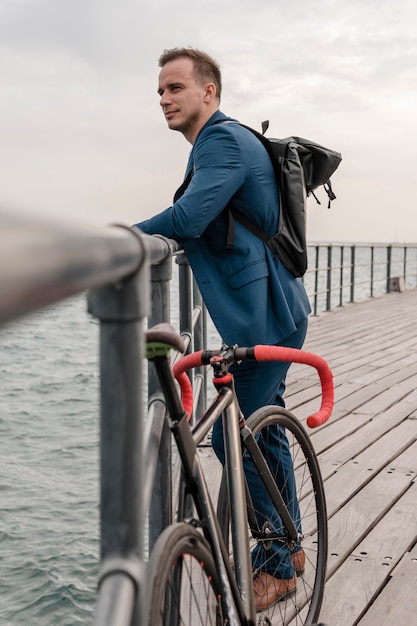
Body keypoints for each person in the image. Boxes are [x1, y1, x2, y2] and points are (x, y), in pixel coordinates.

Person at [134, 47, 311, 611]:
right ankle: (291, 546)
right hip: (264, 309)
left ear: (209, 92)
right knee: (264, 429)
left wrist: (121, 234)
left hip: (266, 314)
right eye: (160, 90)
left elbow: (187, 220)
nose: (164, 98)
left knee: (231, 435)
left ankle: (278, 565)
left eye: (175, 88)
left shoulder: (224, 141)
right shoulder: (214, 146)